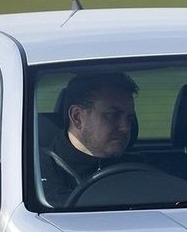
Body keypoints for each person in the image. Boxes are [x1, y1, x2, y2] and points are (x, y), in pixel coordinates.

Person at [39, 72, 139, 205]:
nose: (125, 127)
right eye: (112, 115)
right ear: (77, 117)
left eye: (130, 118)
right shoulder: (36, 173)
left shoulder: (138, 168)